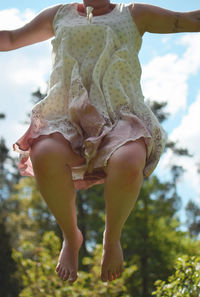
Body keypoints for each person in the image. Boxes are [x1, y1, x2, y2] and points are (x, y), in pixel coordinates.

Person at [0, 0, 199, 284]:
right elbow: (10, 38)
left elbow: (188, 18)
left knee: (129, 160)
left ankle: (111, 238)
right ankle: (71, 237)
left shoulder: (132, 14)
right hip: (67, 117)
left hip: (119, 116)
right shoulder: (59, 15)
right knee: (43, 152)